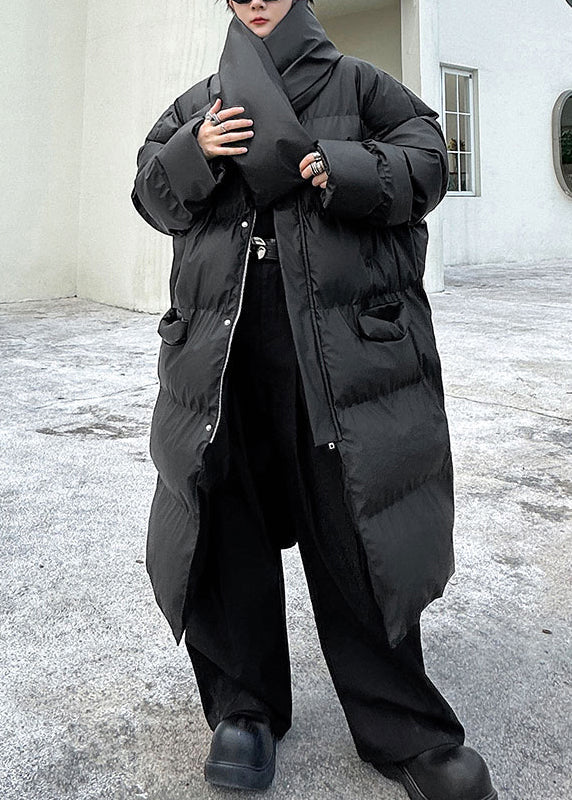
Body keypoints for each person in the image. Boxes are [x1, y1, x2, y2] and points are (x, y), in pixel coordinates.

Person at [130, 1, 498, 798]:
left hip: (336, 350)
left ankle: (404, 727)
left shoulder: (361, 87)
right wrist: (195, 153)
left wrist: (345, 166)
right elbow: (151, 193)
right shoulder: (199, 104)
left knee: (354, 520)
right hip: (223, 353)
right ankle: (244, 710)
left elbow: (429, 161)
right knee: (225, 517)